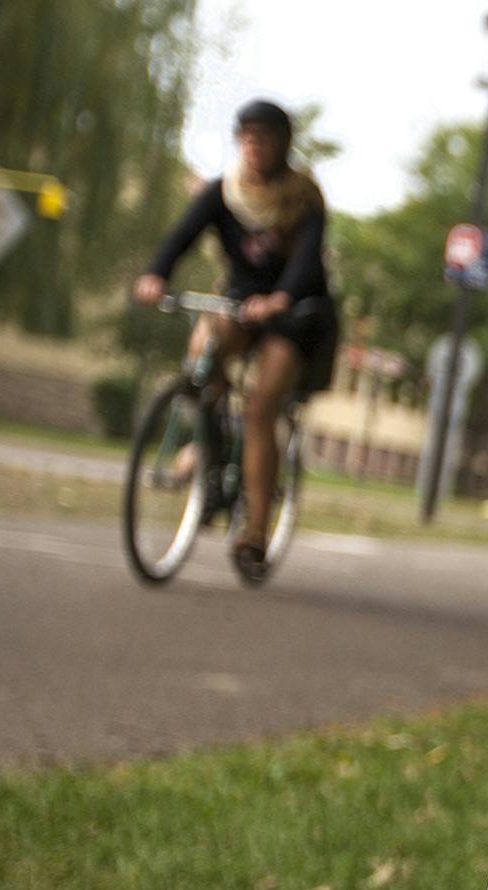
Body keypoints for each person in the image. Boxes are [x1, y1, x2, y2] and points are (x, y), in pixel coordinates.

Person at [133, 99, 337, 580]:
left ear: (281, 143)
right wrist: (155, 274)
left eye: (262, 136)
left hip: (295, 313)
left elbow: (309, 260)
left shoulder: (302, 197)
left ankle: (255, 532)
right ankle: (206, 442)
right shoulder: (225, 192)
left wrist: (282, 297)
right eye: (245, 135)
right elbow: (182, 233)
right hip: (241, 303)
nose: (252, 145)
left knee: (262, 407)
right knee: (204, 346)